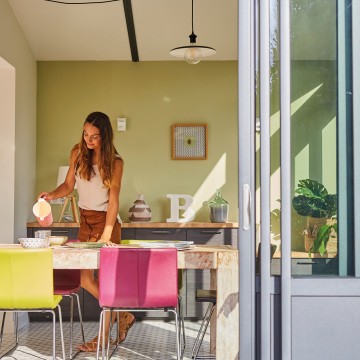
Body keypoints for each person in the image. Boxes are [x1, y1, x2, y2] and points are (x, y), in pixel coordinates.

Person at [39, 111, 135, 352]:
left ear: (105, 136)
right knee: (83, 278)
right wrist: (51, 195)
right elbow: (69, 185)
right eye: (85, 134)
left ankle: (103, 337)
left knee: (106, 281)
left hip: (107, 222)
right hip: (86, 221)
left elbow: (113, 202)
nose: (88, 140)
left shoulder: (115, 163)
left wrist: (106, 235)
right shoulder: (76, 152)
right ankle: (123, 315)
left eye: (94, 136)